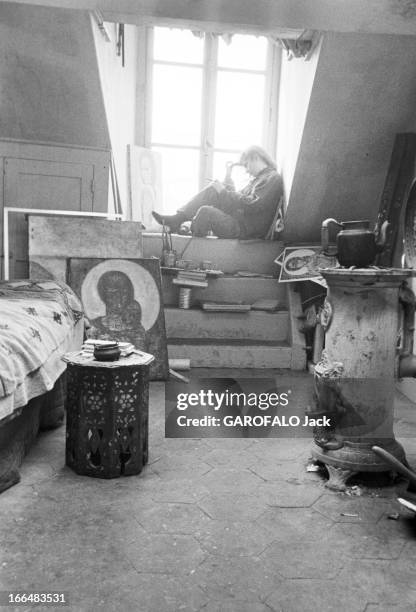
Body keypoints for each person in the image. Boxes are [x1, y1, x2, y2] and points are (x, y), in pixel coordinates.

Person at [152, 145, 283, 239]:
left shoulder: (272, 178)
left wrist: (225, 192)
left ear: (256, 157)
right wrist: (226, 181)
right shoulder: (257, 179)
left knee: (205, 212)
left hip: (243, 228)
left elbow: (252, 204)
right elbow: (238, 199)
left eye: (247, 165)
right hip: (239, 219)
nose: (247, 170)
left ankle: (187, 226)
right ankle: (179, 219)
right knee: (213, 189)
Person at [89, 270, 147, 351]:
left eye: (124, 293)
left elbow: (141, 356)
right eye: (113, 294)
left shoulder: (136, 328)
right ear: (104, 295)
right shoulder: (94, 326)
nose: (119, 299)